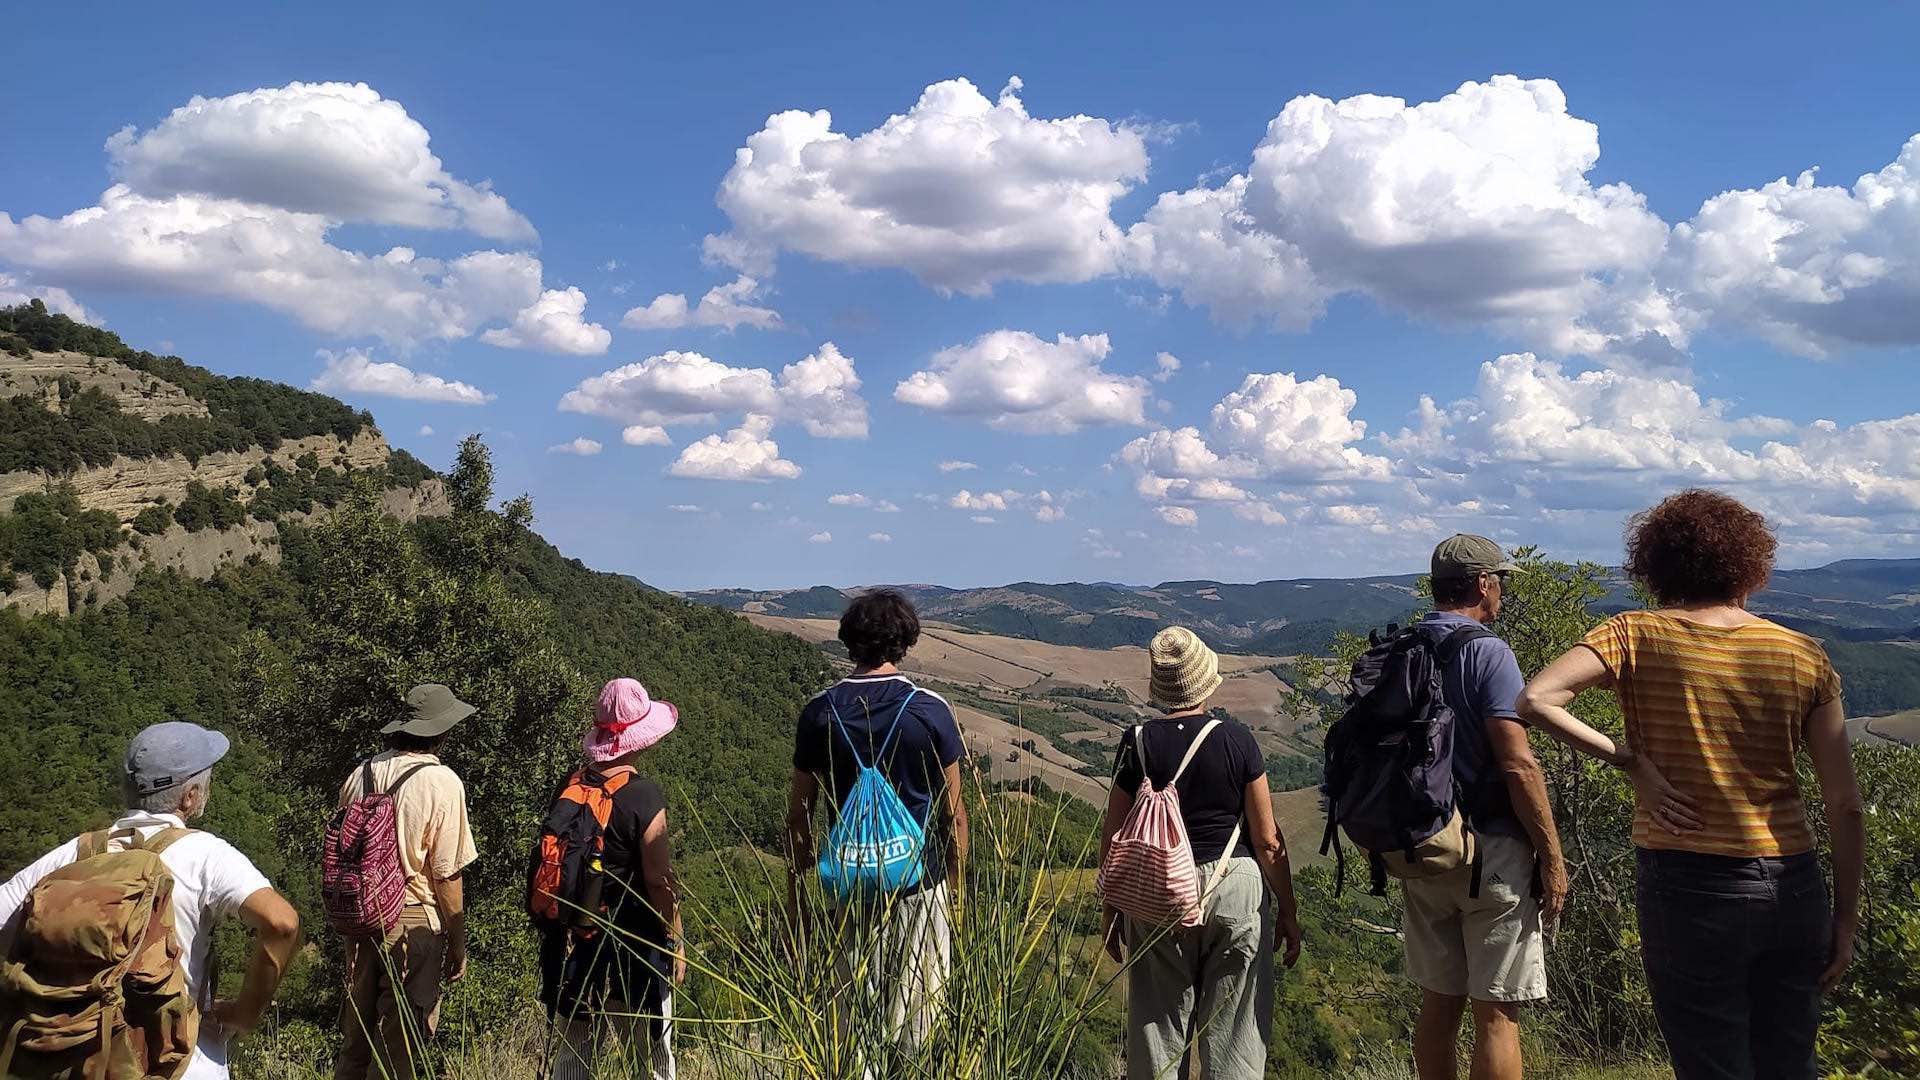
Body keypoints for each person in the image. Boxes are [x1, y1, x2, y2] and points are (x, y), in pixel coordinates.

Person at [1517, 491, 1864, 1080]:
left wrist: (1631, 763)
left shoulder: (1633, 634)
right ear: (1749, 567)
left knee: (1710, 1062)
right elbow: (1845, 802)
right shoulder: (1803, 654)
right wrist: (1846, 918)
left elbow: (1536, 698)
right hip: (1792, 882)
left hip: (1688, 883)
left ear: (1659, 565)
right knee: (1791, 1062)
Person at [0, 721, 302, 1080]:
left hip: (71, 1060)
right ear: (189, 797)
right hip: (174, 1061)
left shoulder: (72, 855)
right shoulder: (204, 853)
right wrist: (245, 1013)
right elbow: (282, 923)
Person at [1100, 625, 1305, 1080]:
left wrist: (1112, 907)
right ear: (1205, 681)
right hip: (1234, 886)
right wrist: (1288, 912)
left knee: (1157, 1039)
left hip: (1156, 891)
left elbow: (1114, 834)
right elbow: (1268, 841)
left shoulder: (1136, 743)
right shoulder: (1237, 740)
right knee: (1234, 1042)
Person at [1404, 535, 1567, 1080]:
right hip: (1490, 850)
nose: (1501, 591)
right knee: (1497, 1014)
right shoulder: (1487, 650)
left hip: (1422, 848)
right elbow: (1517, 763)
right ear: (1481, 584)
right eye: (1500, 580)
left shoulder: (1403, 645)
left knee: (1438, 1005)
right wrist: (1551, 855)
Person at [786, 588, 969, 1054]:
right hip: (918, 888)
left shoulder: (820, 712)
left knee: (852, 1034)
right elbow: (955, 814)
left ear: (850, 642)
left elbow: (800, 813)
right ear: (904, 641)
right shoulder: (929, 710)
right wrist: (955, 890)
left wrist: (797, 897)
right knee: (916, 1028)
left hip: (849, 886)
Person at [333, 683, 480, 1080]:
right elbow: (447, 874)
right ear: (442, 732)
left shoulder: (361, 774)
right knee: (400, 1046)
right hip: (412, 922)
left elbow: (345, 859)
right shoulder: (442, 783)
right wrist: (457, 942)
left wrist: (348, 937)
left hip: (360, 919)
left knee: (355, 1042)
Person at [541, 678, 685, 1080]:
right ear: (641, 739)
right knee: (650, 1056)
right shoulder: (644, 796)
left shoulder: (569, 786)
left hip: (576, 941)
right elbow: (658, 880)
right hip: (634, 943)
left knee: (573, 1056)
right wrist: (674, 940)